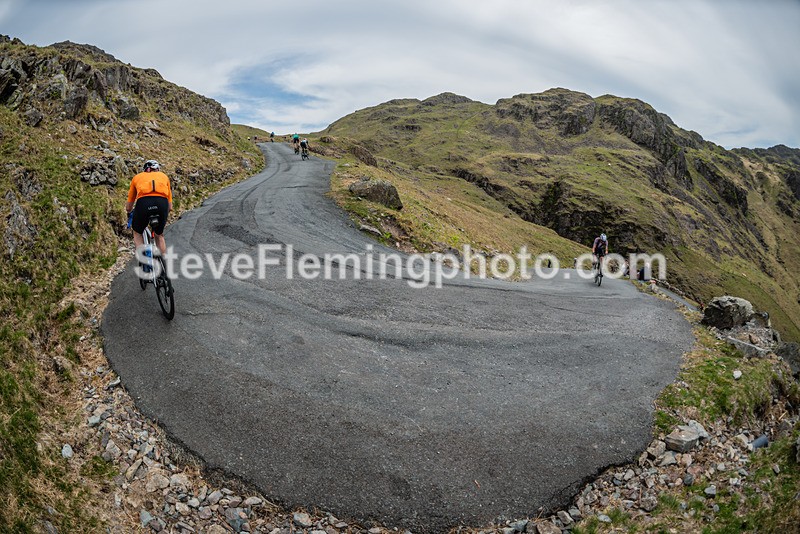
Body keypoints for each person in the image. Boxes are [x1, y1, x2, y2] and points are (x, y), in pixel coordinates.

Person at [125, 160, 172, 257]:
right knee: (159, 235)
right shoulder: (164, 176)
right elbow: (170, 207)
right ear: (157, 169)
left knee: (137, 232)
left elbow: (129, 204)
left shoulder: (137, 177)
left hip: (144, 203)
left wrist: (129, 211)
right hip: (162, 203)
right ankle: (164, 264)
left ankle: (144, 260)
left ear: (145, 169)